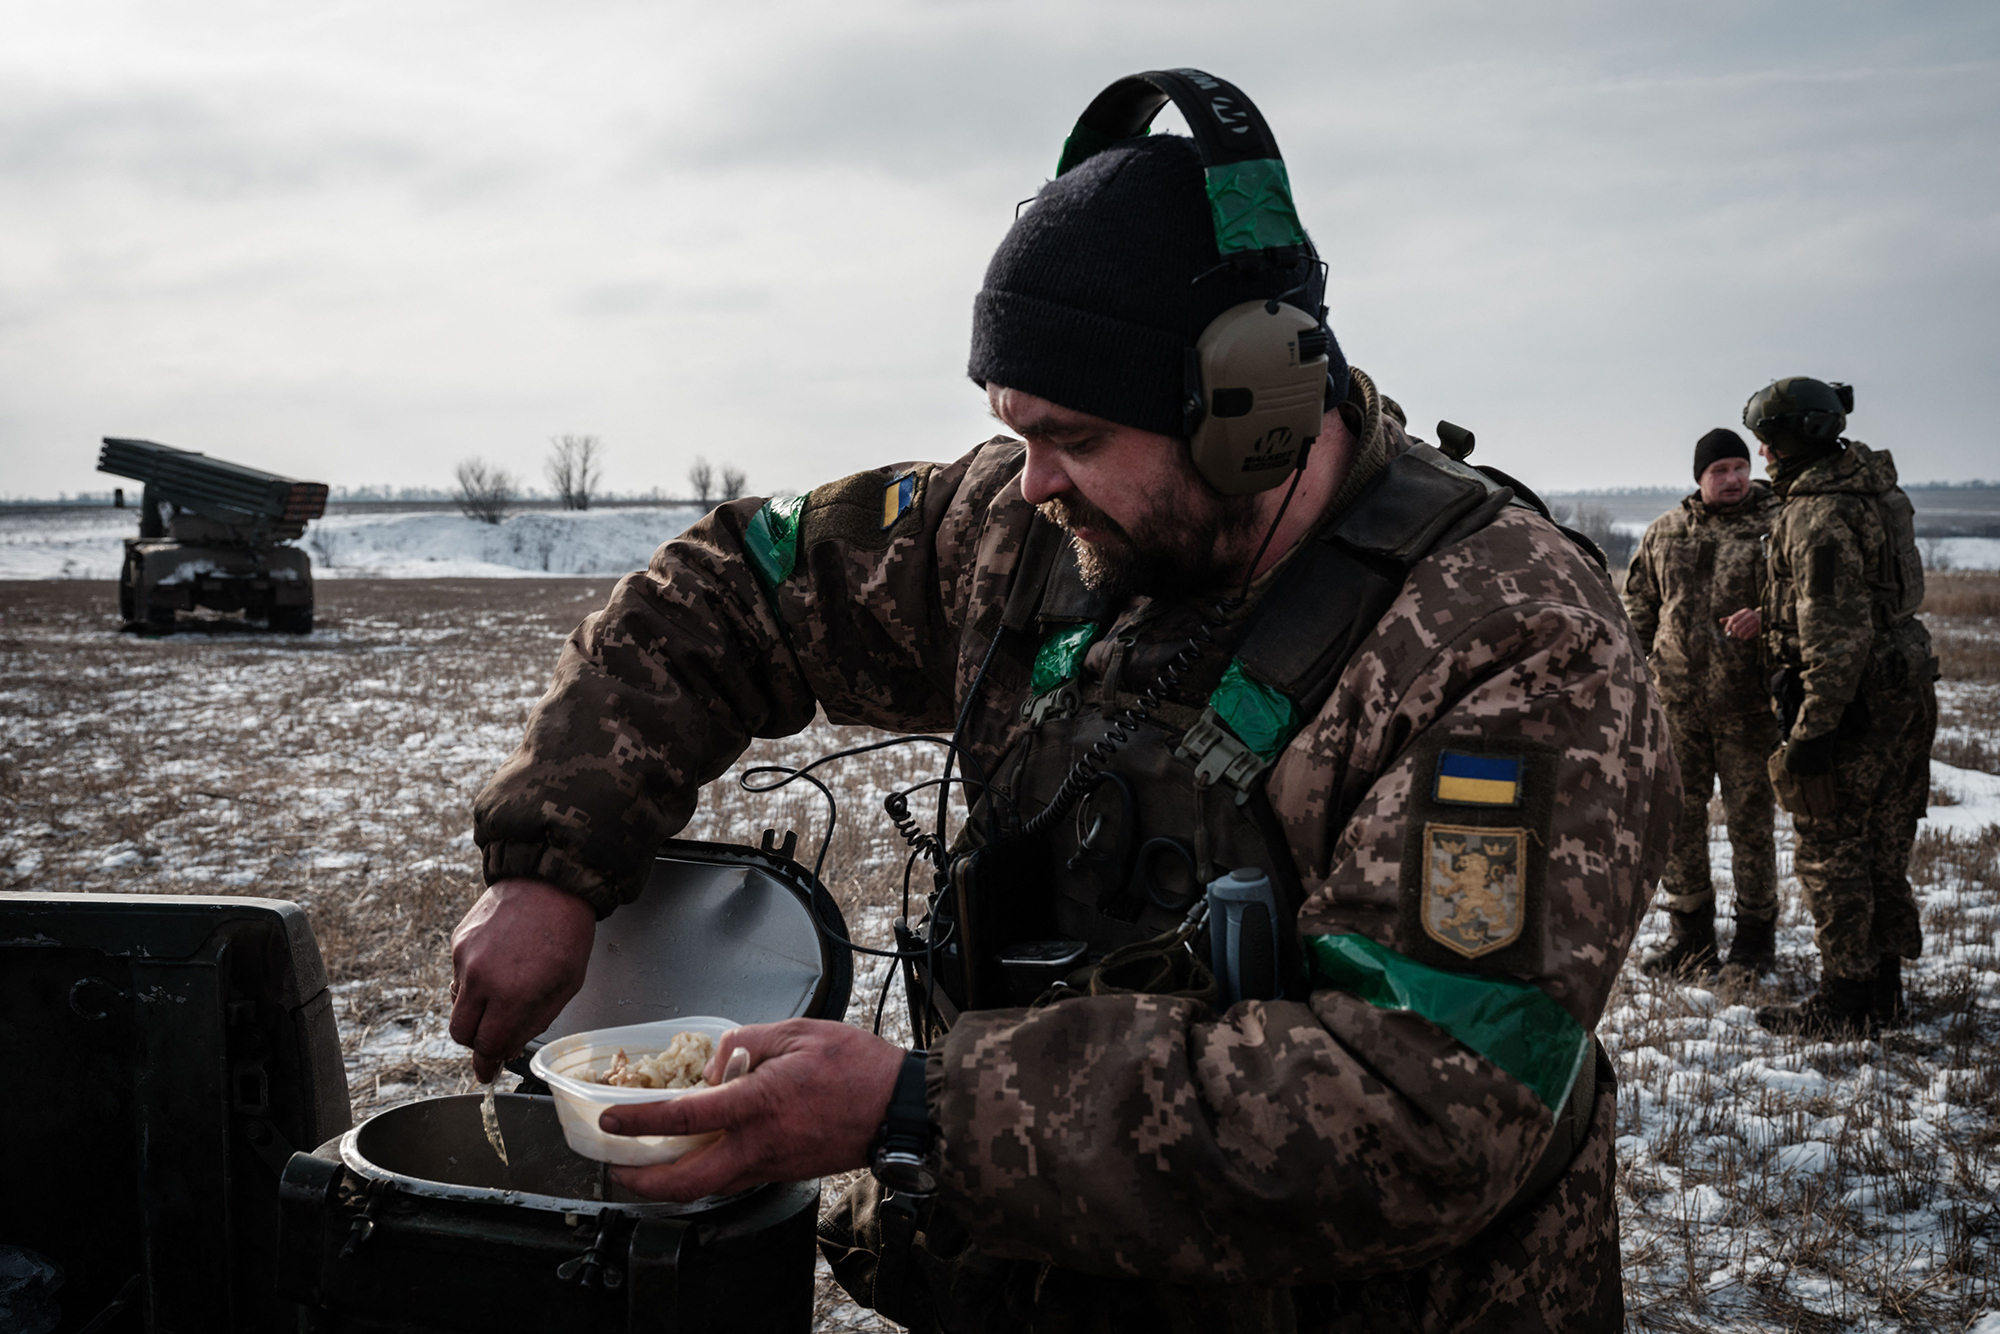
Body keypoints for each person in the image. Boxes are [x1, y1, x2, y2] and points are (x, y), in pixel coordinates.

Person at [449, 72, 1676, 1332]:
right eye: (1011, 429)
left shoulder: (1505, 640)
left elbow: (1426, 1104)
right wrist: (550, 856)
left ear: (1248, 416)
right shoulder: (1018, 522)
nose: (1030, 481)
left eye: (1075, 437)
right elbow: (732, 582)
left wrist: (918, 1108)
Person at [1744, 377, 1937, 1037]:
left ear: (1803, 436)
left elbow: (1835, 634)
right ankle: (1883, 987)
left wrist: (1812, 732)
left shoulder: (1819, 513)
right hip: (1903, 691)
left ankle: (1848, 999)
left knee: (1832, 848)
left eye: (1770, 440)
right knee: (1884, 842)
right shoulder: (1880, 491)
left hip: (1853, 706)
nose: (1763, 454)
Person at [1622, 428, 1782, 976]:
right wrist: (1629, 684)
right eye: (1720, 470)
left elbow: (1810, 602)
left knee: (1751, 825)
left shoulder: (1777, 527)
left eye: (1741, 467)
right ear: (1700, 478)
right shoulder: (1664, 533)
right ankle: (1691, 936)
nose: (1734, 478)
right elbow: (1638, 613)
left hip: (1750, 708)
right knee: (1676, 822)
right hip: (1678, 708)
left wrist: (1769, 618)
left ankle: (1756, 941)